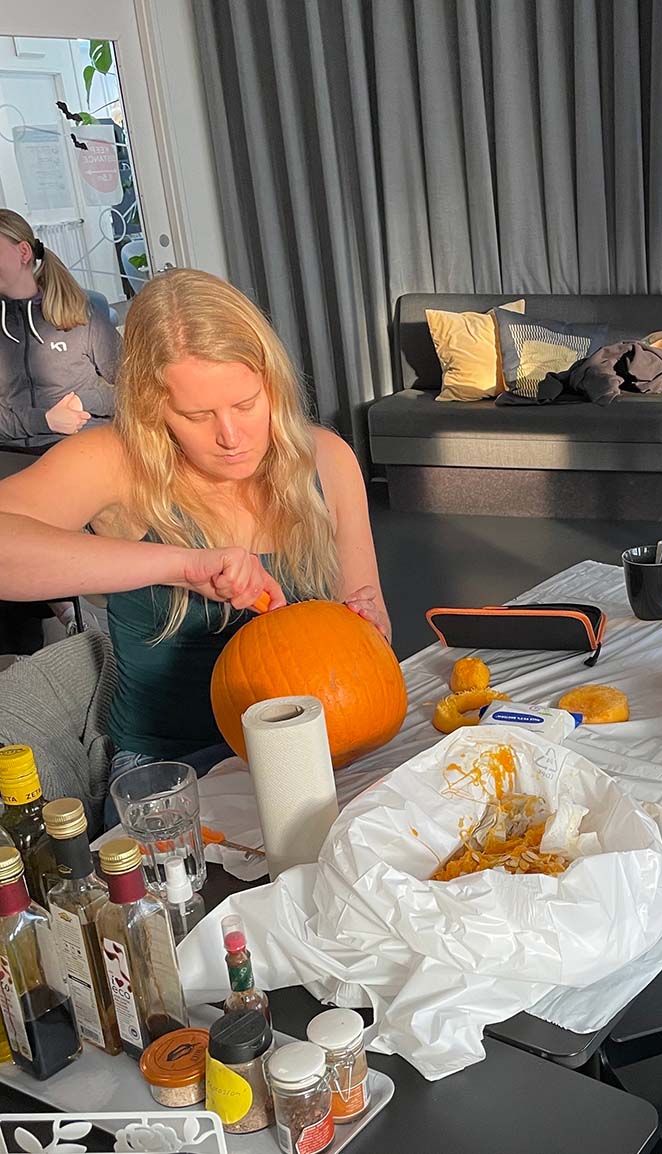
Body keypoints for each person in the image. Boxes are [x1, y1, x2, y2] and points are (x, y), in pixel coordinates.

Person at [0, 268, 389, 813]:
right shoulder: (117, 461)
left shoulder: (326, 459)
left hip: (324, 749)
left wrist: (365, 626)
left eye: (247, 404)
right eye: (196, 415)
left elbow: (373, 623)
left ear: (271, 382)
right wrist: (181, 565)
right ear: (152, 404)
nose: (230, 437)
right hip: (178, 770)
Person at [0, 209, 121, 443]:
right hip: (12, 456)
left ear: (23, 252)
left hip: (83, 449)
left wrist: (84, 401)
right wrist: (44, 420)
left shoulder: (81, 315)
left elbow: (136, 390)